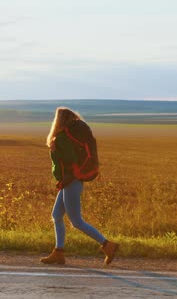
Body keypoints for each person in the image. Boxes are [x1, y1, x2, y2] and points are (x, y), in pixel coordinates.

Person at [40, 107, 119, 265]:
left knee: (76, 221)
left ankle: (107, 245)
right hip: (70, 181)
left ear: (59, 120)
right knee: (56, 215)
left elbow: (70, 158)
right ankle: (59, 252)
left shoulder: (62, 137)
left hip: (71, 182)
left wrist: (55, 150)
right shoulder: (68, 135)